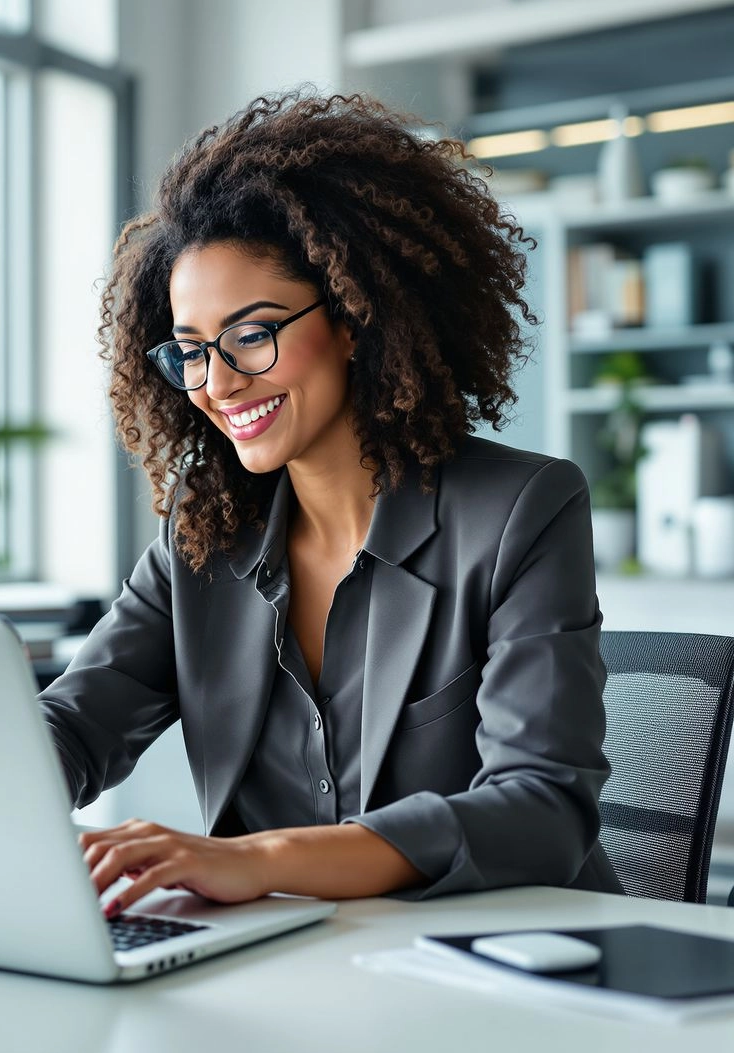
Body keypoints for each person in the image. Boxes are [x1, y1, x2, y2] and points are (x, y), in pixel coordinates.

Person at [39, 90, 622, 919]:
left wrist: (258, 859)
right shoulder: (206, 537)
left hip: (506, 965)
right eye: (193, 350)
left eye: (250, 334)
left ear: (354, 317)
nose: (218, 382)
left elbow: (542, 809)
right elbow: (73, 726)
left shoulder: (522, 508)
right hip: (301, 970)